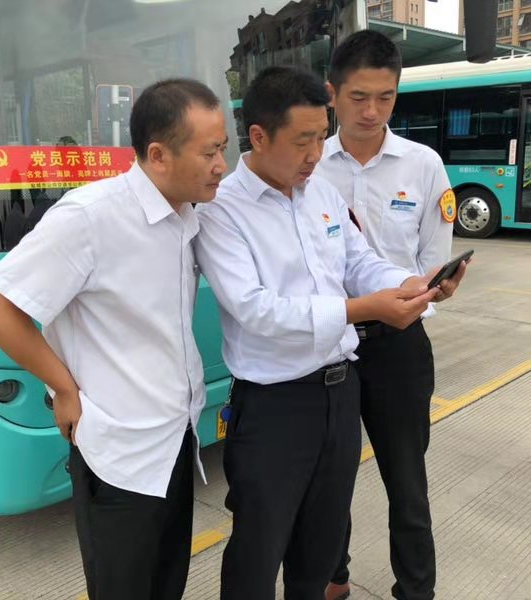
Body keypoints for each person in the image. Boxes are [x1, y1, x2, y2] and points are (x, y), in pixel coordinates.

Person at [194, 65, 462, 600]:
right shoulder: (221, 208)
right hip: (275, 405)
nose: (316, 154)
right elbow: (256, 309)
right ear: (259, 136)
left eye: (321, 136)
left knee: (320, 547)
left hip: (341, 393)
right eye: (303, 141)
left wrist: (410, 283)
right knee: (259, 548)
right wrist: (362, 309)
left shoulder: (319, 192)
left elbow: (358, 261)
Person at [0, 78, 228, 600]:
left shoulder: (185, 214)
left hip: (176, 439)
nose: (221, 165)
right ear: (158, 154)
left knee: (167, 584)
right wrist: (63, 388)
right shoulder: (90, 217)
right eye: (209, 153)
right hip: (119, 456)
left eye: (223, 148)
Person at [315, 30, 458, 600]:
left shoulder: (423, 165)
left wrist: (434, 291)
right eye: (358, 97)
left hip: (400, 345)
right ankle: (333, 577)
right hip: (329, 343)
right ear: (332, 94)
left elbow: (431, 261)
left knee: (406, 480)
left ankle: (416, 590)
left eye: (385, 97)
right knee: (330, 479)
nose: (372, 111)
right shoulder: (309, 165)